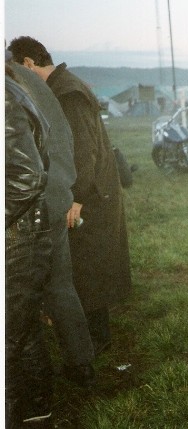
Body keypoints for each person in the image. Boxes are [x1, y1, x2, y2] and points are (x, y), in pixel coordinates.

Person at [9, 36, 132, 355]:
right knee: (87, 266)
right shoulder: (65, 85)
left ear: (28, 64)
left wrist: (75, 197)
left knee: (87, 267)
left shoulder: (67, 93)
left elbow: (84, 151)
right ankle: (91, 337)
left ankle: (96, 340)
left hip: (89, 194)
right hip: (91, 190)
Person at [8, 60, 97, 387]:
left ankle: (30, 385)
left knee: (18, 300)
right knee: (60, 285)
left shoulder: (9, 86)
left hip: (24, 207)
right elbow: (63, 137)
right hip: (55, 194)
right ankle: (81, 364)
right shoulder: (28, 79)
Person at [5, 66, 54, 426]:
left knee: (8, 338)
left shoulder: (5, 95)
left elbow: (27, 176)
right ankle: (37, 410)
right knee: (21, 330)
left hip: (17, 236)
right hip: (25, 233)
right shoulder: (12, 87)